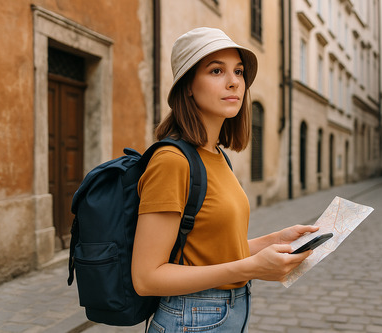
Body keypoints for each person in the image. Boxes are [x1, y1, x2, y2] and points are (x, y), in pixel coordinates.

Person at [131, 27, 319, 333]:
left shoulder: (217, 156)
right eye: (216, 70)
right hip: (191, 319)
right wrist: (252, 268)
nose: (234, 81)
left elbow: (208, 250)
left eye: (239, 71)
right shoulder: (172, 161)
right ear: (188, 86)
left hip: (228, 313)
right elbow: (146, 278)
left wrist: (273, 241)